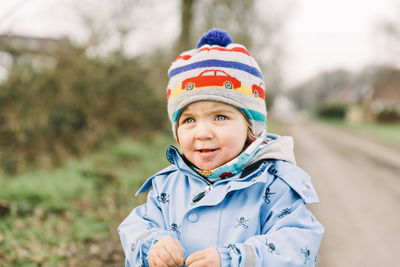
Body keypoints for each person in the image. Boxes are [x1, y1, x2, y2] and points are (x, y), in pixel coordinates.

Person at [118, 29, 324, 267]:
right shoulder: (167, 186)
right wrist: (153, 246)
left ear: (250, 127)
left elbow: (298, 245)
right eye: (189, 120)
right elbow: (135, 226)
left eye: (220, 117)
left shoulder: (275, 185)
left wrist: (235, 259)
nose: (202, 133)